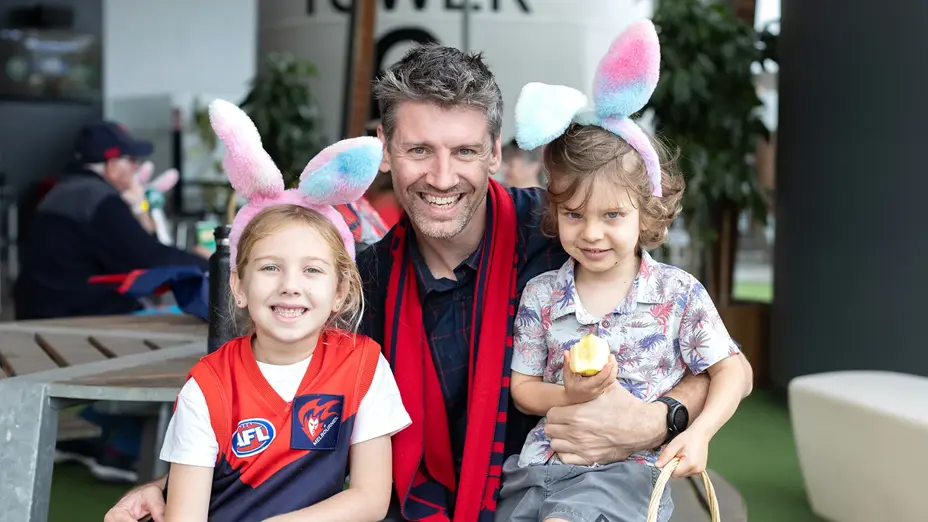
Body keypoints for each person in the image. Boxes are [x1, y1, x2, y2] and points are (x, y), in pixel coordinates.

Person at [104, 39, 754, 522]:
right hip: (412, 504)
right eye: (419, 150)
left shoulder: (565, 235)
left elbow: (693, 349)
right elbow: (271, 389)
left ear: (497, 153)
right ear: (385, 150)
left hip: (589, 486)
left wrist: (659, 419)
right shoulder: (361, 280)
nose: (442, 177)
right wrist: (177, 489)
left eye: (465, 151)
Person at [498, 20, 747, 522]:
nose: (591, 233)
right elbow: (523, 390)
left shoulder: (677, 294)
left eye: (612, 216)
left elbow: (733, 370)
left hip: (627, 474)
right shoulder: (542, 294)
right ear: (554, 211)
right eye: (574, 215)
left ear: (645, 213)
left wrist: (697, 432)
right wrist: (568, 393)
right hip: (538, 467)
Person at [158, 99, 410, 521]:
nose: (290, 286)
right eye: (270, 267)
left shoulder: (364, 365)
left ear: (340, 290)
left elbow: (369, 498)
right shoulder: (208, 386)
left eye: (312, 270)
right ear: (238, 286)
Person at [15, 120, 210, 320]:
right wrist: (212, 263)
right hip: (69, 319)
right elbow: (150, 259)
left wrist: (139, 207)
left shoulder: (65, 190)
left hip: (41, 310)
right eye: (132, 160)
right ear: (112, 165)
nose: (137, 166)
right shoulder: (98, 200)